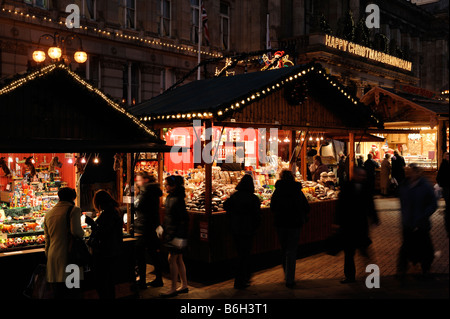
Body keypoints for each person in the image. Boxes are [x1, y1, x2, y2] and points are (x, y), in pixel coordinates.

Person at [334, 167, 380, 283]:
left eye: (364, 175)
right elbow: (340, 206)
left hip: (361, 224)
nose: (363, 177)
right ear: (354, 175)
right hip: (348, 225)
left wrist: (374, 217)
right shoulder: (347, 186)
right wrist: (337, 222)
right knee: (349, 252)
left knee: (363, 248)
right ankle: (350, 276)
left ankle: (370, 273)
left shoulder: (366, 187)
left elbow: (370, 204)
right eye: (361, 175)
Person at [270, 170, 310, 288]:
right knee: (291, 251)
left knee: (284, 249)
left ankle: (286, 274)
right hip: (294, 224)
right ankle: (290, 278)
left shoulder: (278, 191)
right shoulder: (297, 191)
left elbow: (273, 207)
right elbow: (306, 207)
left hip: (281, 224)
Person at [397, 164, 438, 280]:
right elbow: (402, 202)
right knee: (405, 248)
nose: (408, 174)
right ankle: (402, 271)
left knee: (425, 247)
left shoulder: (425, 186)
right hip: (408, 223)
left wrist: (424, 215)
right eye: (407, 171)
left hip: (421, 223)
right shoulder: (404, 185)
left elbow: (433, 204)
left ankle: (425, 268)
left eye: (410, 172)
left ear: (417, 173)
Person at [44, 187, 84, 299]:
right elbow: (76, 232)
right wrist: (84, 233)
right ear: (73, 198)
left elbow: (47, 240)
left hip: (53, 257)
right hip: (70, 257)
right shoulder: (74, 210)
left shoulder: (49, 214)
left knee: (58, 293)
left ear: (59, 197)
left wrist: (49, 256)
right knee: (72, 293)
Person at [223, 174, 262, 289]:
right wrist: (255, 227)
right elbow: (257, 215)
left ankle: (238, 280)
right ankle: (243, 279)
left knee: (240, 254)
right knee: (245, 255)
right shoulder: (253, 198)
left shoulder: (235, 196)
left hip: (236, 229)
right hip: (248, 230)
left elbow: (226, 206)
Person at [85, 190, 124, 299]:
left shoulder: (109, 213)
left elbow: (104, 232)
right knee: (109, 282)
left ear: (99, 202)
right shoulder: (113, 211)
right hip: (112, 251)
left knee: (102, 282)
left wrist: (92, 224)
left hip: (105, 252)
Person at [159, 175, 189, 298]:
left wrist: (179, 236)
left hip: (175, 234)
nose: (165, 186)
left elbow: (183, 219)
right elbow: (169, 217)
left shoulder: (177, 199)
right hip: (173, 233)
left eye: (166, 184)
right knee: (178, 259)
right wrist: (163, 227)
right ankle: (184, 285)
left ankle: (173, 288)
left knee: (172, 259)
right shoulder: (173, 197)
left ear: (173, 186)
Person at [134, 171, 163, 288]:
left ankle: (142, 281)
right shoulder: (153, 191)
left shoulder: (146, 193)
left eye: (139, 179)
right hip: (151, 226)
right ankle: (159, 279)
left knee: (140, 255)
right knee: (153, 254)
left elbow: (137, 206)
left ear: (145, 180)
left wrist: (134, 198)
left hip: (143, 227)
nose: (137, 181)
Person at [436, 152, 449, 237]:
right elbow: (439, 176)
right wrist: (441, 184)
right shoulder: (443, 164)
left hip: (447, 185)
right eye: (447, 156)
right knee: (447, 199)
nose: (448, 157)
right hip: (446, 186)